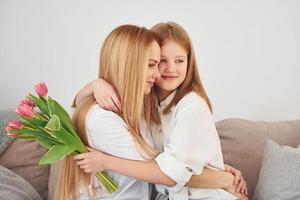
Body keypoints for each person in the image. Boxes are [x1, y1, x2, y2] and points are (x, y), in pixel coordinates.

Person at [73, 22, 248, 200]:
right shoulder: (147, 102)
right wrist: (95, 85)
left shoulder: (192, 107)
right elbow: (80, 106)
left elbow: (171, 172)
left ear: (189, 63)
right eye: (160, 62)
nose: (168, 69)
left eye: (179, 60)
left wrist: (225, 179)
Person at [55, 24, 162, 200]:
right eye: (151, 65)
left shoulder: (139, 108)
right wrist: (217, 177)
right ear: (128, 65)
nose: (157, 74)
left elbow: (78, 102)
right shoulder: (100, 119)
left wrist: (94, 84)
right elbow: (165, 170)